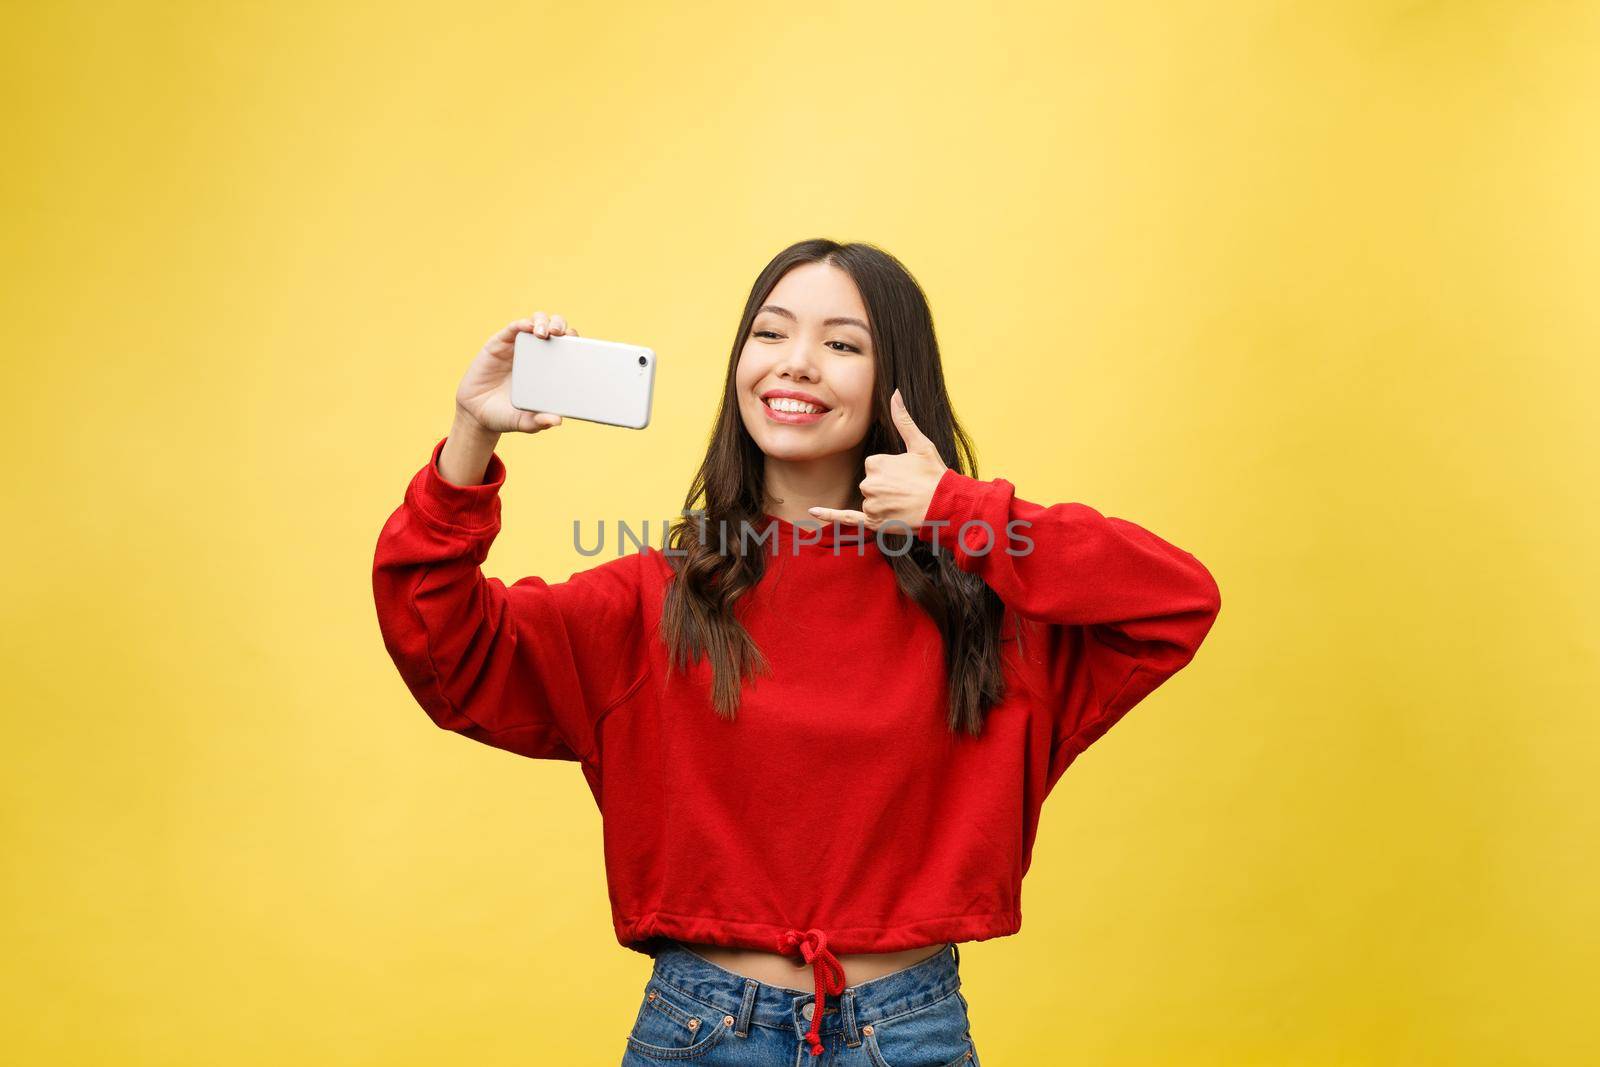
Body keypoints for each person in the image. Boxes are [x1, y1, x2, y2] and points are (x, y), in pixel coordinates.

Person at [371, 239, 1222, 1064]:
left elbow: (1175, 598)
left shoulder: (983, 610)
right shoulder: (652, 600)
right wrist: (468, 440)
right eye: (770, 333)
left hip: (908, 1030)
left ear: (896, 382)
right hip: (701, 1029)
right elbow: (451, 654)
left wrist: (959, 508)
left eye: (841, 343)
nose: (796, 362)